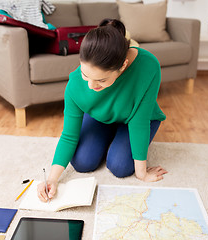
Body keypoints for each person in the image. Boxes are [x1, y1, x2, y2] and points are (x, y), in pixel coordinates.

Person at [37, 19, 167, 202]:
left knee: (120, 166)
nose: (90, 85)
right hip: (101, 115)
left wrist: (142, 174)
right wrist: (52, 179)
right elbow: (68, 135)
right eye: (85, 75)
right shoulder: (75, 84)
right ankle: (109, 134)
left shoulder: (148, 65)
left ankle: (117, 139)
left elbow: (140, 121)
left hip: (135, 117)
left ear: (122, 67)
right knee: (82, 163)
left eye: (101, 80)